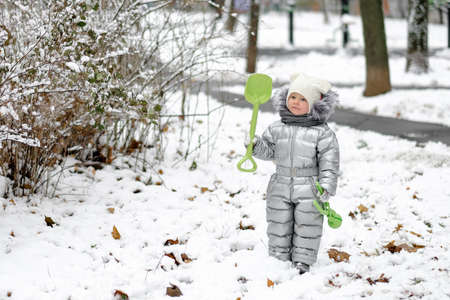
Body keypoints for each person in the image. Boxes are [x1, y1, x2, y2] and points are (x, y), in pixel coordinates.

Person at [250, 72, 340, 274]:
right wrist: (256, 146)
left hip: (309, 185)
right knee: (278, 221)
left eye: (302, 99)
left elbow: (329, 162)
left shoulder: (322, 133)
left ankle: (303, 260)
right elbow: (270, 151)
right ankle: (278, 257)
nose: (296, 102)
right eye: (293, 97)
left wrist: (327, 185)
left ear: (315, 105)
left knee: (307, 223)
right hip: (280, 182)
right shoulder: (276, 128)